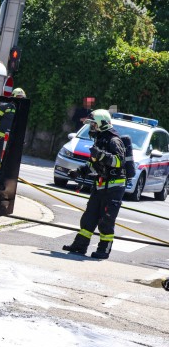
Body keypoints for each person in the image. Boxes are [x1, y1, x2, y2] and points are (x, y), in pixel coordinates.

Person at [62, 109, 126, 259]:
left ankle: (103, 250)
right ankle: (79, 246)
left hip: (113, 188)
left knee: (106, 220)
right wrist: (79, 172)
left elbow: (119, 162)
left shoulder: (114, 140)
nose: (91, 127)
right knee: (89, 217)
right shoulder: (100, 139)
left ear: (101, 124)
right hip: (100, 185)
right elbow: (94, 164)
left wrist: (102, 156)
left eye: (93, 124)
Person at [0, 87, 26, 172]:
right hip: (2, 136)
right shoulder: (4, 107)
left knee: (11, 156)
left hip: (13, 137)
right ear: (13, 96)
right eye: (18, 97)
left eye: (22, 97)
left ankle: (6, 173)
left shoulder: (22, 110)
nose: (20, 99)